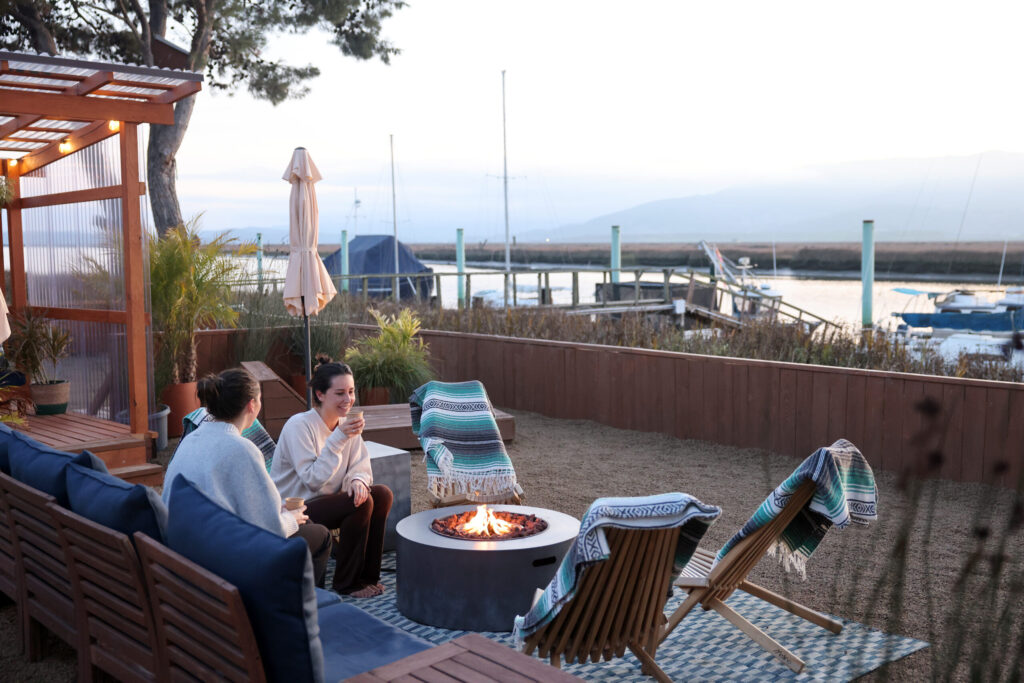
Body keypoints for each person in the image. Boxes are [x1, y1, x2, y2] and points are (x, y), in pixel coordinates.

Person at [164, 368, 332, 586]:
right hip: (223, 563)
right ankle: (307, 608)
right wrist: (291, 518)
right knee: (320, 536)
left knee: (305, 523)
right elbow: (272, 530)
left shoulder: (192, 438)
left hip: (184, 549)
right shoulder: (242, 448)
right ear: (252, 405)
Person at [271, 356, 392, 598]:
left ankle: (368, 577)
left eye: (351, 392)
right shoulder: (300, 426)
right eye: (339, 393)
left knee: (380, 494)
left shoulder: (347, 424)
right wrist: (338, 439)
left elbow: (359, 464)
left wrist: (358, 480)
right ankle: (346, 584)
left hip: (329, 502)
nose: (348, 400)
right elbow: (313, 480)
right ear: (320, 394)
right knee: (361, 502)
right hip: (296, 509)